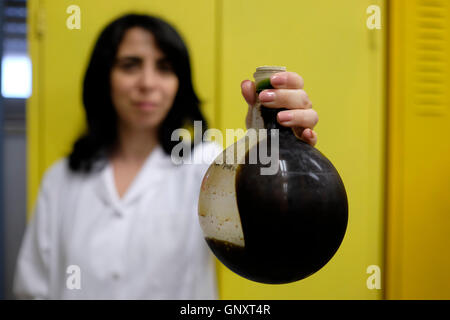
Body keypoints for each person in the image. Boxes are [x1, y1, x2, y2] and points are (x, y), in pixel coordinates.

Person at [13, 13, 318, 299]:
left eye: (164, 67)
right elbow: (32, 289)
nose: (147, 83)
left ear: (178, 83)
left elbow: (271, 231)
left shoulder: (206, 166)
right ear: (104, 77)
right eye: (130, 65)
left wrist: (273, 144)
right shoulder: (62, 178)